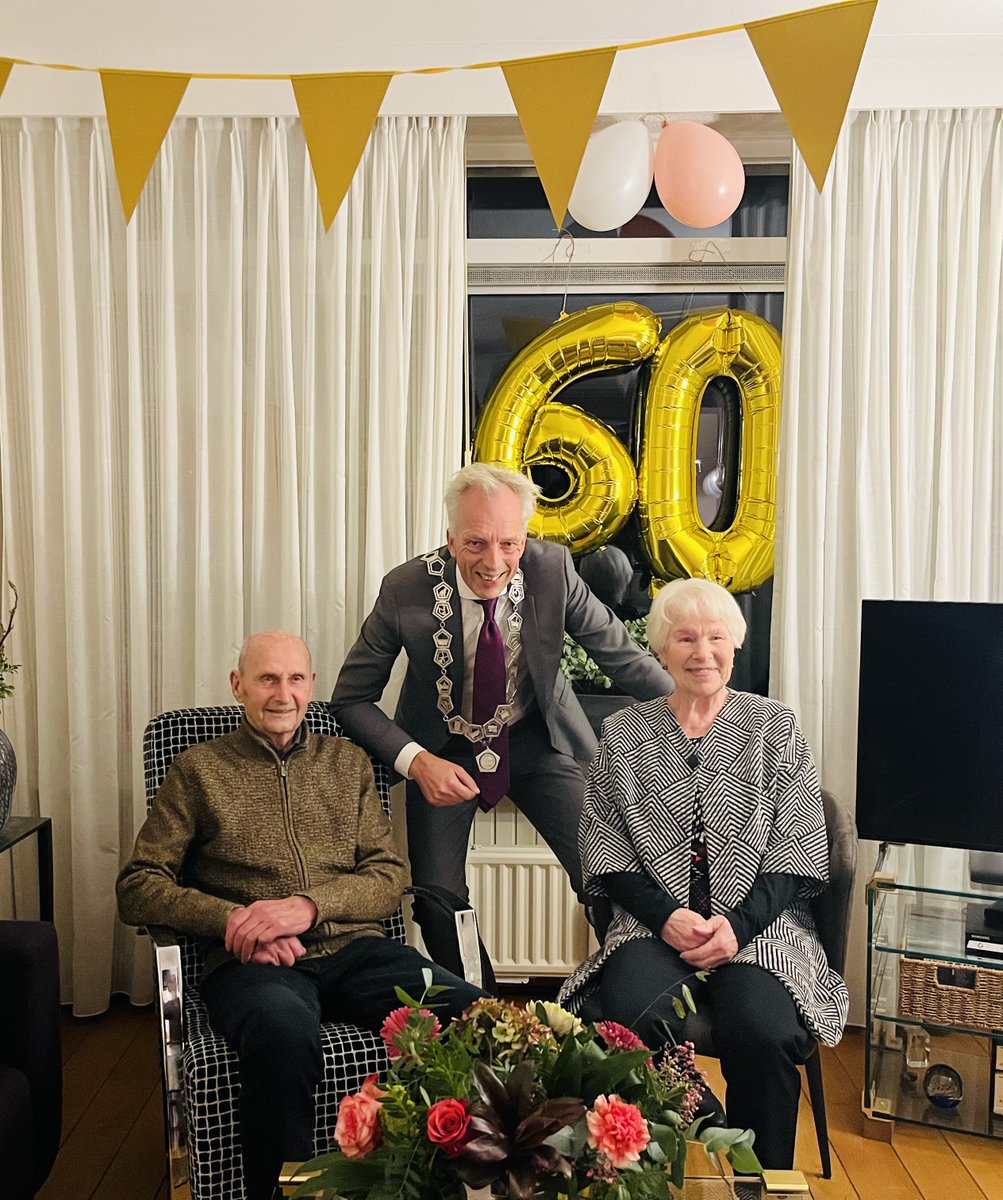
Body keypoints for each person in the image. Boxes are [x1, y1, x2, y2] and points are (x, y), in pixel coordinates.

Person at [117, 631, 486, 1200]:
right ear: (238, 686)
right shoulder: (198, 770)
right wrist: (236, 921)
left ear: (312, 686)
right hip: (255, 968)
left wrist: (307, 908)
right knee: (283, 1038)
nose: (282, 693)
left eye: (294, 679)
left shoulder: (348, 762)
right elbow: (138, 886)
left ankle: (435, 1184)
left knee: (468, 1015)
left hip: (358, 952)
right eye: (267, 679)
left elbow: (387, 878)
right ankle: (280, 1192)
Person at [331, 463, 673, 970]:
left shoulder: (554, 569)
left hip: (539, 740)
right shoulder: (404, 589)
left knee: (610, 875)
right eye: (475, 544)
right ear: (450, 539)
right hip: (442, 750)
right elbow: (350, 699)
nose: (494, 563)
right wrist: (417, 762)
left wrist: (713, 708)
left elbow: (623, 659)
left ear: (526, 537)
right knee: (438, 901)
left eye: (509, 544)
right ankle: (479, 1021)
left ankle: (626, 996)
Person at [557, 578, 848, 1169]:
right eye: (686, 638)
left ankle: (760, 1177)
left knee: (762, 1032)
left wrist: (736, 928)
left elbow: (799, 852)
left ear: (734, 646)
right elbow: (606, 856)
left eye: (716, 637)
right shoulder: (622, 735)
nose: (702, 652)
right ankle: (695, 1134)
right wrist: (666, 919)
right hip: (651, 926)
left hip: (763, 931)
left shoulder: (776, 727)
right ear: (662, 649)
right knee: (629, 1017)